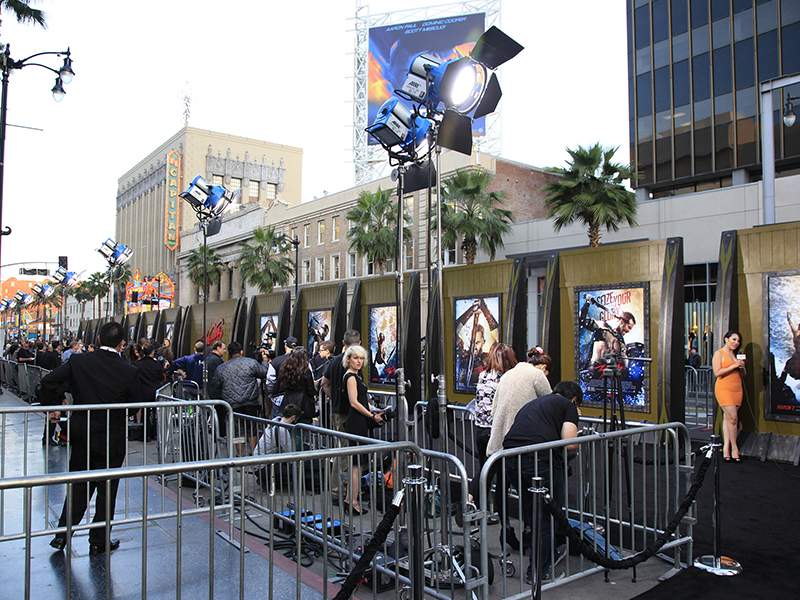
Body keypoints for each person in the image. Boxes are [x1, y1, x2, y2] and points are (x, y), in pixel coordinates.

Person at [42, 321, 141, 556]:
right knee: (107, 491)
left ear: (98, 340)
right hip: (111, 435)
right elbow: (134, 405)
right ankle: (98, 541)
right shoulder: (129, 370)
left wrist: (54, 405)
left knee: (79, 485)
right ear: (122, 343)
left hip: (82, 433)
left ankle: (62, 535)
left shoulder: (79, 361)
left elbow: (48, 381)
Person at [503, 380, 583, 584]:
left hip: (511, 459)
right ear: (574, 399)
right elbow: (570, 443)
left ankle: (545, 556)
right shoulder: (568, 406)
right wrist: (574, 418)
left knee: (533, 513)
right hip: (539, 462)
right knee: (547, 516)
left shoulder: (534, 403)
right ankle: (539, 572)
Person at [486, 347, 552, 550]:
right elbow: (551, 403)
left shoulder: (508, 375)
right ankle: (530, 531)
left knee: (502, 486)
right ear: (543, 367)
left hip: (500, 442)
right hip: (522, 442)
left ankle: (505, 528)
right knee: (527, 490)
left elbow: (494, 409)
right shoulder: (536, 376)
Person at [469, 343, 518, 503]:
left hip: (480, 428)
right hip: (496, 430)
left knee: (485, 470)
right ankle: (476, 501)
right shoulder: (506, 378)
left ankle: (476, 506)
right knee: (500, 474)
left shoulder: (483, 375)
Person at [321, 329, 361, 505]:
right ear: (359, 343)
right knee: (345, 455)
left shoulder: (335, 360)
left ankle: (339, 491)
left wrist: (334, 398)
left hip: (338, 411)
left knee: (341, 452)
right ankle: (342, 492)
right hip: (349, 413)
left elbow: (324, 383)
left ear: (343, 343)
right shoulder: (352, 362)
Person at [343, 344, 383, 515]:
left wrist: (374, 410)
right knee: (356, 465)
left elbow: (362, 400)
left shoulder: (356, 376)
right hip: (356, 422)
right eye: (355, 358)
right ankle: (352, 502)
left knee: (358, 465)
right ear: (348, 359)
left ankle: (350, 500)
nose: (359, 361)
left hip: (360, 420)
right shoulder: (351, 377)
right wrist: (371, 416)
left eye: (361, 358)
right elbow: (354, 402)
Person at [212, 341, 269, 452]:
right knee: (252, 429)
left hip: (233, 404)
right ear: (241, 352)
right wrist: (265, 361)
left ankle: (240, 455)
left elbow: (216, 384)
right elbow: (263, 373)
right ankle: (254, 453)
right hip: (250, 402)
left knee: (238, 431)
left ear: (229, 354)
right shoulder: (251, 363)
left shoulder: (222, 368)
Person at [713, 330, 745, 462]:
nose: (736, 343)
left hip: (737, 389)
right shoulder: (719, 353)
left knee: (728, 419)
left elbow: (743, 374)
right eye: (734, 339)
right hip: (724, 389)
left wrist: (742, 366)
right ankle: (734, 448)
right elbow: (717, 372)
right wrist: (734, 366)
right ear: (726, 339)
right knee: (733, 418)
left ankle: (726, 448)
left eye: (738, 341)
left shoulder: (737, 355)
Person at [579, 294, 636, 369]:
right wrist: (587, 303)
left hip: (612, 374)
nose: (628, 331)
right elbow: (582, 320)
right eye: (629, 327)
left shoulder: (622, 344)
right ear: (622, 322)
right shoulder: (603, 327)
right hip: (593, 372)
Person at [134, 340, 165, 441]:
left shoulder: (138, 365)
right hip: (155, 391)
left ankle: (145, 434)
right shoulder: (157, 364)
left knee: (145, 414)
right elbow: (161, 378)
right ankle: (155, 434)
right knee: (156, 414)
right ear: (152, 352)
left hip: (143, 391)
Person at [279, 347, 317, 425]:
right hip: (304, 405)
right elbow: (311, 391)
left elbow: (283, 386)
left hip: (288, 403)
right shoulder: (305, 371)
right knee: (303, 428)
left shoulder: (286, 370)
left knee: (289, 428)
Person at [265, 336, 299, 418]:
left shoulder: (276, 361)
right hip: (298, 398)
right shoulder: (304, 361)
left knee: (279, 423)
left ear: (285, 347)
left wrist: (272, 394)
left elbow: (270, 380)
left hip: (280, 398)